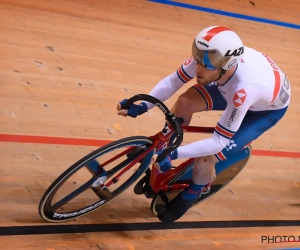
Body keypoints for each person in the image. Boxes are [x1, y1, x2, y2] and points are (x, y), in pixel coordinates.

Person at [116, 25, 291, 222]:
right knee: (184, 102)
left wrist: (174, 154)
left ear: (227, 64)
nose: (198, 68)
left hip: (264, 111)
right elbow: (174, 81)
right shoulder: (210, 57)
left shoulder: (244, 89)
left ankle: (194, 191)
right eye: (197, 57)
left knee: (206, 159)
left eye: (207, 65)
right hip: (231, 86)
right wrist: (143, 105)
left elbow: (218, 142)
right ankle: (163, 149)